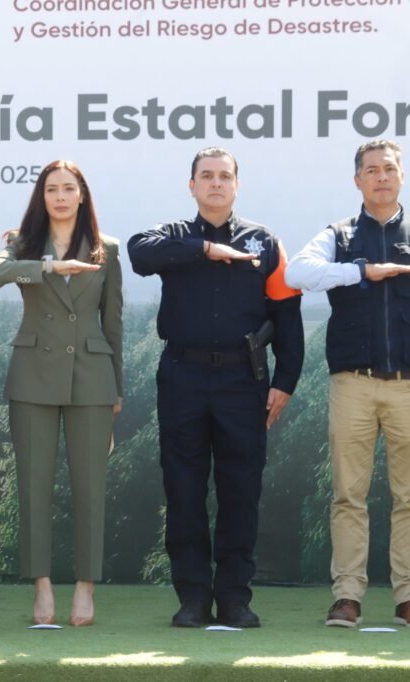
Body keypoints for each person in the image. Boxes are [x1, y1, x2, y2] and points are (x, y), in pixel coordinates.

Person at [128, 147, 304, 628]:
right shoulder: (172, 237)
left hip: (243, 380)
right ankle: (192, 599)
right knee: (183, 491)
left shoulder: (265, 241)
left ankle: (234, 599)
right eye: (206, 176)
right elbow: (138, 254)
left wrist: (285, 381)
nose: (216, 184)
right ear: (192, 186)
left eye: (224, 176)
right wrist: (203, 250)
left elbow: (286, 317)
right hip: (182, 376)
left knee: (240, 491)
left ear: (237, 185)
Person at [0, 160, 122, 627]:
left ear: (83, 195)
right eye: (51, 189)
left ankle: (86, 587)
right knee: (33, 486)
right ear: (41, 198)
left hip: (93, 379)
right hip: (33, 377)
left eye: (69, 188)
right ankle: (41, 588)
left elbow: (113, 323)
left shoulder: (108, 249)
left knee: (90, 488)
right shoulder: (20, 246)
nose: (60, 196)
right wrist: (48, 265)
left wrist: (115, 390)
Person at [285, 139, 410, 629]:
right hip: (352, 383)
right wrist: (361, 271)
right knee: (348, 495)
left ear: (400, 177)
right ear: (356, 180)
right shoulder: (338, 234)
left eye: (389, 169)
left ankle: (406, 597)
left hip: (408, 385)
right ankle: (347, 597)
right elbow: (297, 273)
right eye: (371, 170)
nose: (381, 176)